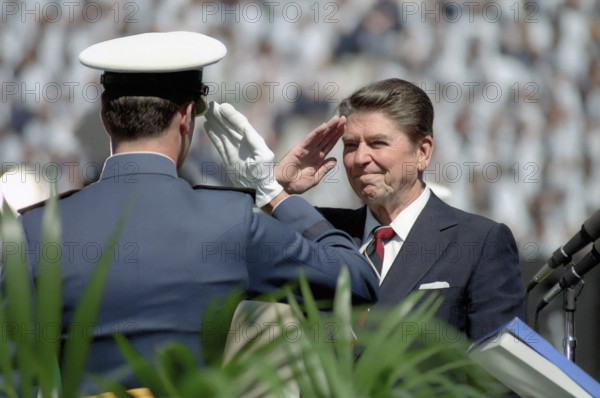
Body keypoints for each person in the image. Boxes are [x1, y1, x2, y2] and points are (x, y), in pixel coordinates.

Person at [17, 31, 378, 395]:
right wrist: (272, 191)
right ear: (187, 116)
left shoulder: (35, 230)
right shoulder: (229, 221)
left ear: (105, 118)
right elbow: (356, 281)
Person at [227, 78, 526, 342]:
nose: (360, 158)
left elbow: (499, 378)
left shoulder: (479, 242)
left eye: (377, 143)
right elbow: (226, 263)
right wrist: (273, 189)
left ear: (422, 152)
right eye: (350, 145)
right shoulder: (319, 231)